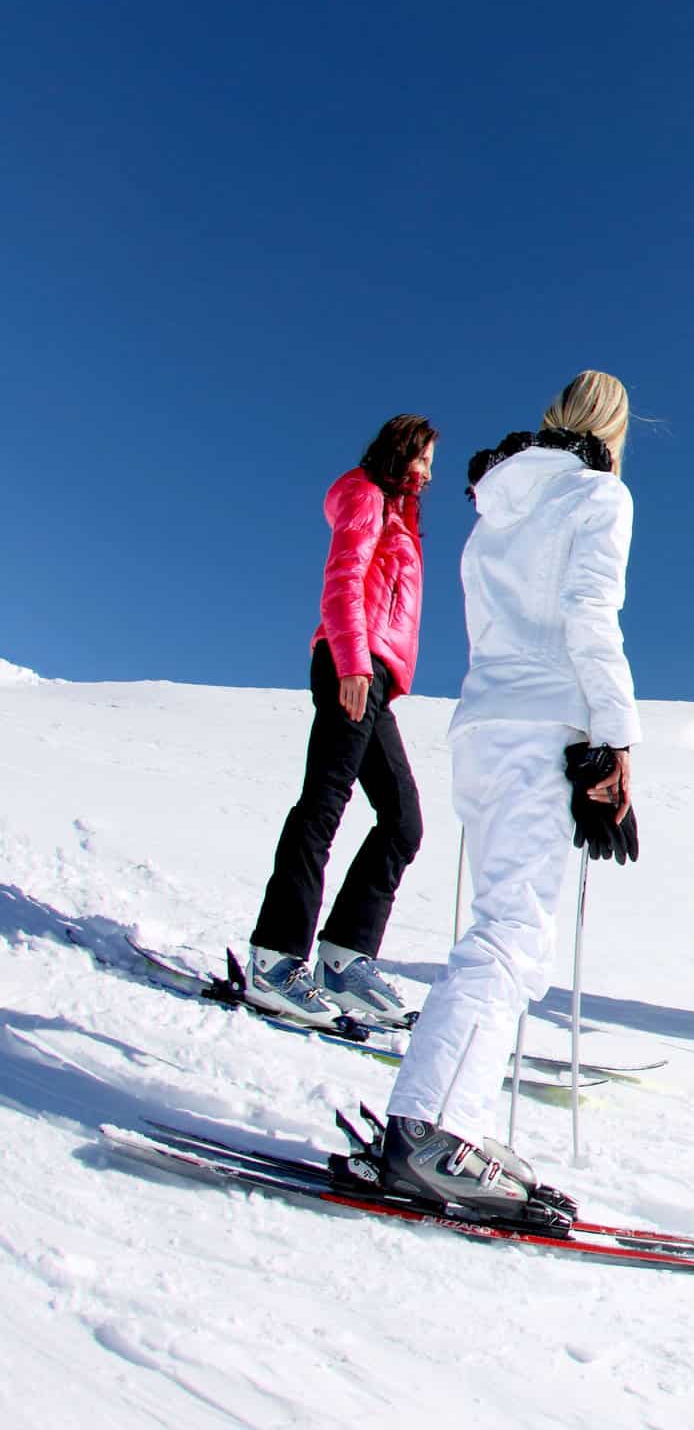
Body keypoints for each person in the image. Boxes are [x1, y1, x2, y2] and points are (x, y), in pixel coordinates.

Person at [377, 372, 638, 1219]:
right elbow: (588, 612)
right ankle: (430, 1133)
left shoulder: (501, 501)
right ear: (613, 427)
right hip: (541, 724)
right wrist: (615, 738)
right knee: (513, 932)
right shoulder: (599, 494)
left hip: (483, 725)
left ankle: (450, 1117)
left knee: (500, 923)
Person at [246, 415, 437, 1030]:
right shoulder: (365, 494)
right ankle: (276, 959)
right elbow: (344, 578)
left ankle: (344, 958)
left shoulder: (400, 515)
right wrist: (354, 662)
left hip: (373, 674)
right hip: (349, 662)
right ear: (403, 452)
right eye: (425, 459)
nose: (429, 473)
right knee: (322, 806)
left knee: (403, 821)